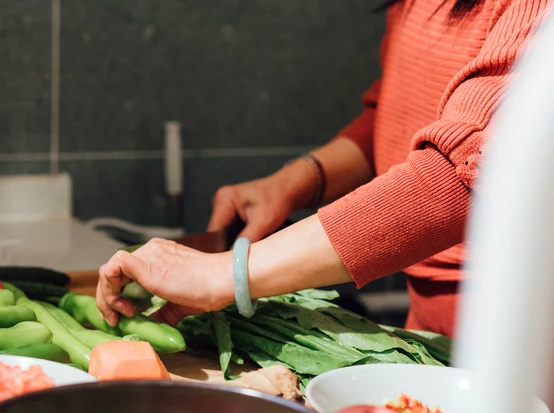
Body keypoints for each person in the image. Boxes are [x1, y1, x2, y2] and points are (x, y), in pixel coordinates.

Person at [95, 0, 551, 338]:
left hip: (522, 340)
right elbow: (402, 113)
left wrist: (227, 274)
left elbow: (465, 171)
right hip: (430, 329)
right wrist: (296, 182)